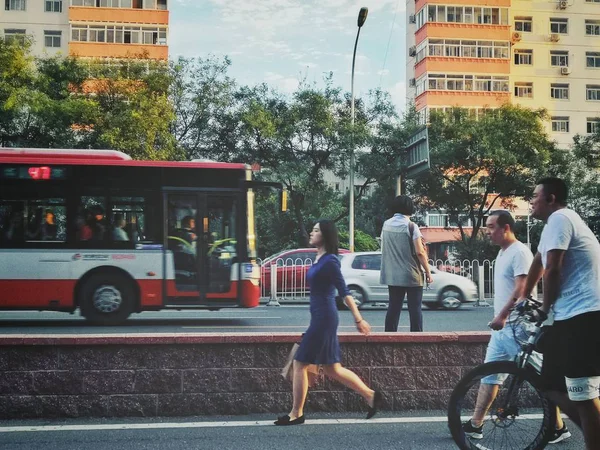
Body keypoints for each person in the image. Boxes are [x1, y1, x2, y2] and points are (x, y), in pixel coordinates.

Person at [462, 210, 570, 444]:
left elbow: (522, 290)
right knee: (489, 375)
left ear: (506, 228)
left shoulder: (519, 252)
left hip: (517, 326)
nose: (487, 232)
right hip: (503, 330)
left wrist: (501, 316)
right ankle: (476, 424)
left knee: (541, 378)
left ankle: (558, 427)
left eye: (491, 227)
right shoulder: (503, 253)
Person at [274, 219, 382, 426]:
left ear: (325, 235)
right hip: (319, 317)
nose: (311, 233)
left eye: (315, 230)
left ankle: (296, 413)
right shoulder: (319, 257)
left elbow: (344, 292)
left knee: (299, 363)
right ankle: (370, 395)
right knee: (333, 368)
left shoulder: (331, 261)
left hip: (324, 318)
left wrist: (358, 318)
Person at [519, 177, 600, 450]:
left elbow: (553, 267)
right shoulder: (553, 226)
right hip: (568, 317)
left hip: (585, 315)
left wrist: (543, 308)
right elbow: (539, 261)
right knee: (550, 384)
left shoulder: (561, 219)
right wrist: (523, 295)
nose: (531, 201)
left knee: (583, 395)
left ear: (551, 199)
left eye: (535, 195)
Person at [380, 195, 433, 332]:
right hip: (412, 275)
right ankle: (417, 339)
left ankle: (388, 338)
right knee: (414, 309)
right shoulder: (411, 226)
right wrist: (428, 272)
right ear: (409, 208)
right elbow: (420, 252)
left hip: (393, 275)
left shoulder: (386, 224)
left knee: (393, 308)